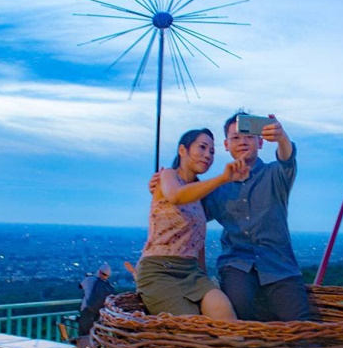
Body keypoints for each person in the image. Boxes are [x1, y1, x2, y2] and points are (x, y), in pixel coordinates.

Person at [154, 112, 316, 322]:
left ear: (260, 141)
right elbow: (186, 207)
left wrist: (281, 136)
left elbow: (287, 157)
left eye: (248, 136)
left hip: (279, 264)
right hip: (236, 265)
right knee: (237, 314)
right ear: (226, 144)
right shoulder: (217, 188)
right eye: (235, 138)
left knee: (301, 324)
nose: (242, 142)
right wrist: (162, 186)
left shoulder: (276, 175)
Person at [136, 128, 245, 321]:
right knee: (193, 327)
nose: (207, 155)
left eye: (212, 151)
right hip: (160, 270)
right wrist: (222, 178)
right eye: (202, 147)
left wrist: (204, 276)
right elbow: (177, 196)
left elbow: (197, 242)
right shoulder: (168, 175)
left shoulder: (199, 195)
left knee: (224, 313)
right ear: (182, 150)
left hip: (191, 272)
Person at [77, 263, 114, 336]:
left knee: (84, 335)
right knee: (97, 336)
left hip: (87, 312)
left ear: (99, 272)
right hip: (100, 315)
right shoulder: (108, 286)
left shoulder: (90, 280)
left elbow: (80, 286)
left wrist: (88, 276)